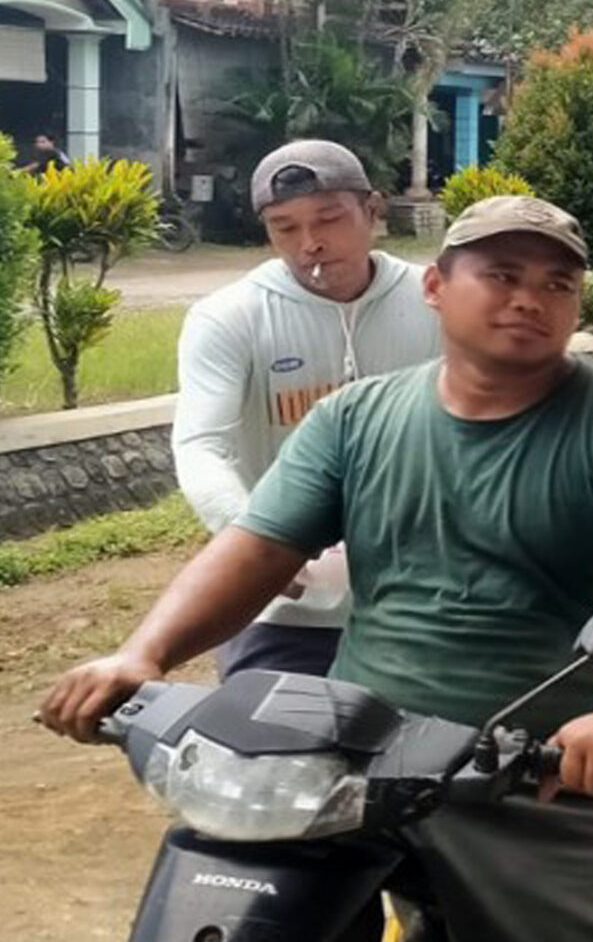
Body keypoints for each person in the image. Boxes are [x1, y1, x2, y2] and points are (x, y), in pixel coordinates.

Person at [40, 194, 593, 942]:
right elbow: (256, 550)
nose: (529, 299)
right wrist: (142, 657)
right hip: (360, 774)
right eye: (501, 275)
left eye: (558, 284)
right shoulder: (356, 419)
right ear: (435, 287)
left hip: (550, 772)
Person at [172, 139, 439, 676]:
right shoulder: (229, 318)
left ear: (373, 210)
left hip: (430, 599)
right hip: (288, 608)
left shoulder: (435, 299)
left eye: (329, 219)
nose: (310, 243)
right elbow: (202, 444)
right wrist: (253, 538)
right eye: (284, 227)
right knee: (268, 751)